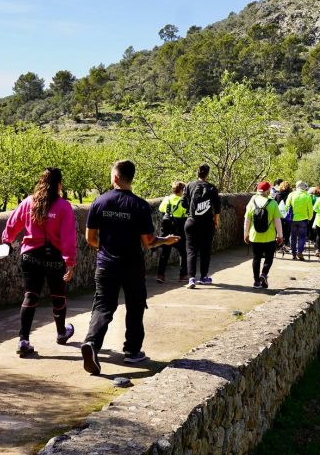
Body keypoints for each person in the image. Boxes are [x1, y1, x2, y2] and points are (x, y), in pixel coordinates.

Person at [81, 160, 179, 375]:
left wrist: (107, 247)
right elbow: (148, 241)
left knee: (103, 306)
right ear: (129, 178)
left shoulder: (99, 202)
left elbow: (90, 239)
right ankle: (133, 351)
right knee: (135, 306)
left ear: (115, 177)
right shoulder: (140, 206)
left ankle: (92, 343)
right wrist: (165, 240)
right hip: (132, 265)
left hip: (106, 264)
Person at [2, 167, 76, 357]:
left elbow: (12, 224)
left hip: (30, 257)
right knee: (58, 296)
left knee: (30, 296)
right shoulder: (63, 206)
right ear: (59, 184)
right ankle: (61, 333)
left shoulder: (28, 202)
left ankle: (23, 340)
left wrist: (6, 241)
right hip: (54, 258)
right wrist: (70, 261)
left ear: (41, 182)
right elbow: (68, 237)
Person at [181, 163, 221, 289]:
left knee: (191, 250)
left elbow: (183, 202)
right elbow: (218, 207)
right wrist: (216, 221)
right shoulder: (211, 188)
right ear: (207, 174)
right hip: (207, 223)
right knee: (205, 251)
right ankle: (204, 277)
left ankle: (191, 278)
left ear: (197, 172)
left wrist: (191, 210)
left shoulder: (189, 185)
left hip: (191, 222)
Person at [244, 182, 283, 289]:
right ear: (267, 191)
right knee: (269, 258)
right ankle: (264, 274)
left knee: (256, 258)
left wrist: (245, 234)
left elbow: (247, 220)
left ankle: (256, 282)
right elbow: (277, 221)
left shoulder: (252, 202)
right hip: (269, 237)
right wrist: (280, 236)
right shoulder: (273, 203)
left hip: (255, 236)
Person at [157, 181, 188, 283]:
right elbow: (186, 214)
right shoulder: (183, 201)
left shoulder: (167, 199)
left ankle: (160, 275)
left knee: (165, 253)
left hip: (167, 231)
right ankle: (183, 275)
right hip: (179, 231)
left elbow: (161, 209)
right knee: (183, 253)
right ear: (182, 190)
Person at [285, 181, 313, 260]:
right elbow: (310, 209)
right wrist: (310, 218)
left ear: (296, 186)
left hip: (293, 219)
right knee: (302, 237)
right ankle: (300, 251)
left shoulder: (291, 194)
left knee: (293, 236)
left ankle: (293, 253)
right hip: (303, 219)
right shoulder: (307, 195)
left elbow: (286, 207)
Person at [275, 181, 292, 251]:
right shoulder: (290, 195)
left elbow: (275, 205)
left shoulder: (277, 195)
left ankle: (279, 245)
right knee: (287, 230)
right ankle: (285, 245)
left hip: (279, 215)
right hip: (287, 215)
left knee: (279, 230)